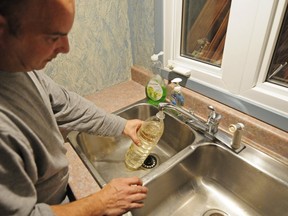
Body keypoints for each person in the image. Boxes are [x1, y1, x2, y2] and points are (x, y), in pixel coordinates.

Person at [0, 0, 148, 215]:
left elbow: (66, 104)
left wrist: (122, 125)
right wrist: (101, 203)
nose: (66, 48)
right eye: (53, 37)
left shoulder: (17, 67)